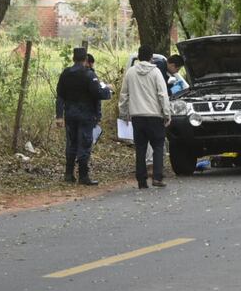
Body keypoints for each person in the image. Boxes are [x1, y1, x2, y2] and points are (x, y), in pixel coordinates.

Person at [119, 45, 171, 189]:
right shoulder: (156, 73)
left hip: (137, 116)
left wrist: (123, 114)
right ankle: (157, 177)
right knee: (158, 146)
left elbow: (124, 95)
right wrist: (166, 113)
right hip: (155, 115)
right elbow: (162, 94)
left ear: (138, 57)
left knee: (140, 148)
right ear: (151, 58)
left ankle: (141, 180)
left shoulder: (130, 73)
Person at [55, 48, 107, 185]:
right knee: (84, 144)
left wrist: (59, 116)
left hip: (70, 114)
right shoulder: (89, 75)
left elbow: (60, 96)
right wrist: (108, 90)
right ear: (85, 59)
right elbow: (99, 93)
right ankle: (83, 176)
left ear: (73, 58)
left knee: (71, 144)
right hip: (86, 115)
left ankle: (68, 174)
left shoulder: (66, 74)